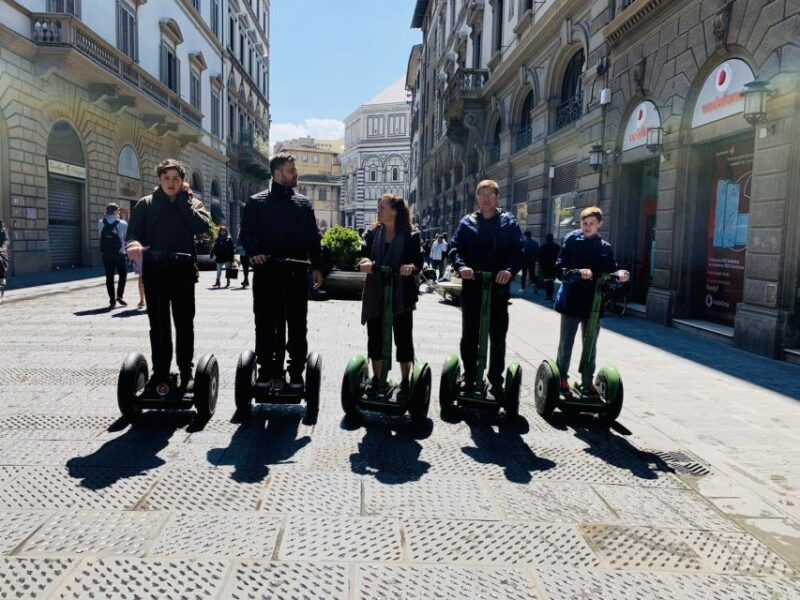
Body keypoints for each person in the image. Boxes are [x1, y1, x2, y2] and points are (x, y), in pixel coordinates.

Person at [240, 152, 323, 392]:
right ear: (277, 174)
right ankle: (267, 371)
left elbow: (313, 239)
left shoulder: (303, 203)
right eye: (291, 171)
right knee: (265, 323)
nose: (296, 175)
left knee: (297, 324)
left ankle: (296, 371)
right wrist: (254, 252)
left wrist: (317, 267)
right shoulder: (257, 202)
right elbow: (246, 235)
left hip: (296, 272)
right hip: (267, 272)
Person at [126, 159, 211, 392]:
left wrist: (184, 201)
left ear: (182, 182)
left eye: (176, 179)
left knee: (184, 325)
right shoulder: (146, 204)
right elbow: (133, 233)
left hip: (183, 272)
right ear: (159, 180)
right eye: (166, 178)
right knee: (159, 326)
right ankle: (160, 373)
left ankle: (186, 373)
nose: (170, 183)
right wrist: (133, 244)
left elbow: (201, 227)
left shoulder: (193, 203)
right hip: (155, 272)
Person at [450, 180, 523, 399]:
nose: (486, 197)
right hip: (472, 286)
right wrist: (461, 267)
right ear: (477, 198)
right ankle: (470, 376)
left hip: (498, 288)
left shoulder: (508, 222)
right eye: (482, 194)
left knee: (498, 336)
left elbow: (518, 252)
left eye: (490, 193)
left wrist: (509, 271)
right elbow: (455, 248)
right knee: (469, 335)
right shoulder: (467, 222)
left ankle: (495, 379)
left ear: (497, 197)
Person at [554, 206, 629, 398]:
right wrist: (578, 273)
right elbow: (559, 270)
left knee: (591, 343)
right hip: (571, 300)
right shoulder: (571, 240)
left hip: (594, 304)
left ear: (600, 225)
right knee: (566, 342)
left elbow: (612, 273)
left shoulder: (605, 248)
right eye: (584, 223)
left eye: (591, 224)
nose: (587, 227)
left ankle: (587, 380)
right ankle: (561, 377)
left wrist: (620, 275)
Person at [357, 194, 423, 394]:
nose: (379, 211)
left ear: (395, 210)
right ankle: (377, 379)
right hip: (376, 291)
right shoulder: (372, 232)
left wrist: (409, 267)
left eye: (382, 207)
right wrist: (363, 263)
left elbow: (417, 262)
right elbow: (361, 256)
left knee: (403, 337)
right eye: (378, 207)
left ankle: (405, 381)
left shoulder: (411, 234)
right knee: (375, 335)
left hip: (402, 293)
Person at [98, 203, 128, 309]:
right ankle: (119, 296)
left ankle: (112, 300)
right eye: (118, 211)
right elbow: (125, 238)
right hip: (120, 254)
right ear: (115, 211)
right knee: (123, 275)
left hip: (106, 255)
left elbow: (100, 236)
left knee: (109, 277)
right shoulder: (123, 223)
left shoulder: (101, 222)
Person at [539, 233, 560, 302]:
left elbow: (540, 257)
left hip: (545, 267)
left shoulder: (543, 246)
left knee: (547, 281)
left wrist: (541, 265)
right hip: (554, 266)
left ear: (546, 239)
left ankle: (548, 296)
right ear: (552, 239)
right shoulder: (557, 246)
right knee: (552, 281)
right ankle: (550, 296)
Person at [0, 220, 8, 303]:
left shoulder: (3, 232)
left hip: (1, 252)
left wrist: (2, 247)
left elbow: (6, 241)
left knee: (2, 261)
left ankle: (2, 277)